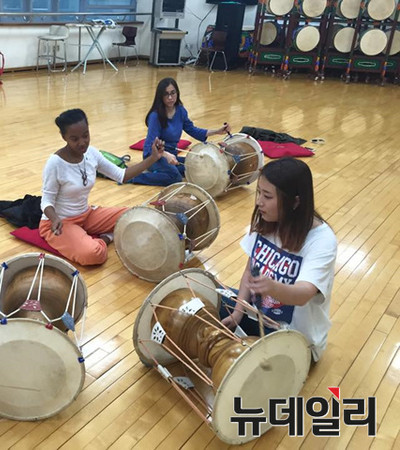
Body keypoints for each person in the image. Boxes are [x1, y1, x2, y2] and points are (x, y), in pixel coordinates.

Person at [220, 158, 337, 362]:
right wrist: (238, 312)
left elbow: (302, 295)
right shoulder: (268, 221)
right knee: (207, 297)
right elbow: (249, 272)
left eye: (267, 196)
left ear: (295, 201)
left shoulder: (322, 240)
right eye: (259, 192)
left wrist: (272, 287)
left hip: (294, 339)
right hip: (259, 316)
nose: (259, 202)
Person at [40, 108, 164, 266]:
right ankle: (105, 238)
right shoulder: (55, 163)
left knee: (134, 215)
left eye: (85, 135)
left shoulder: (91, 153)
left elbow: (122, 175)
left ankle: (100, 236)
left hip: (86, 214)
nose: (82, 142)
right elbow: (46, 201)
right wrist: (54, 218)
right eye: (75, 139)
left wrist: (153, 158)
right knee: (93, 254)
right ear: (64, 137)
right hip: (60, 222)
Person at [130, 77, 232, 186]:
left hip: (172, 155)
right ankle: (132, 176)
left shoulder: (180, 111)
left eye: (173, 93)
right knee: (175, 177)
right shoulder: (155, 116)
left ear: (177, 93)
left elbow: (193, 130)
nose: (170, 97)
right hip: (153, 156)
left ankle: (163, 171)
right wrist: (165, 155)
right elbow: (151, 145)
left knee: (198, 166)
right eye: (166, 94)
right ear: (161, 96)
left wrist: (217, 131)